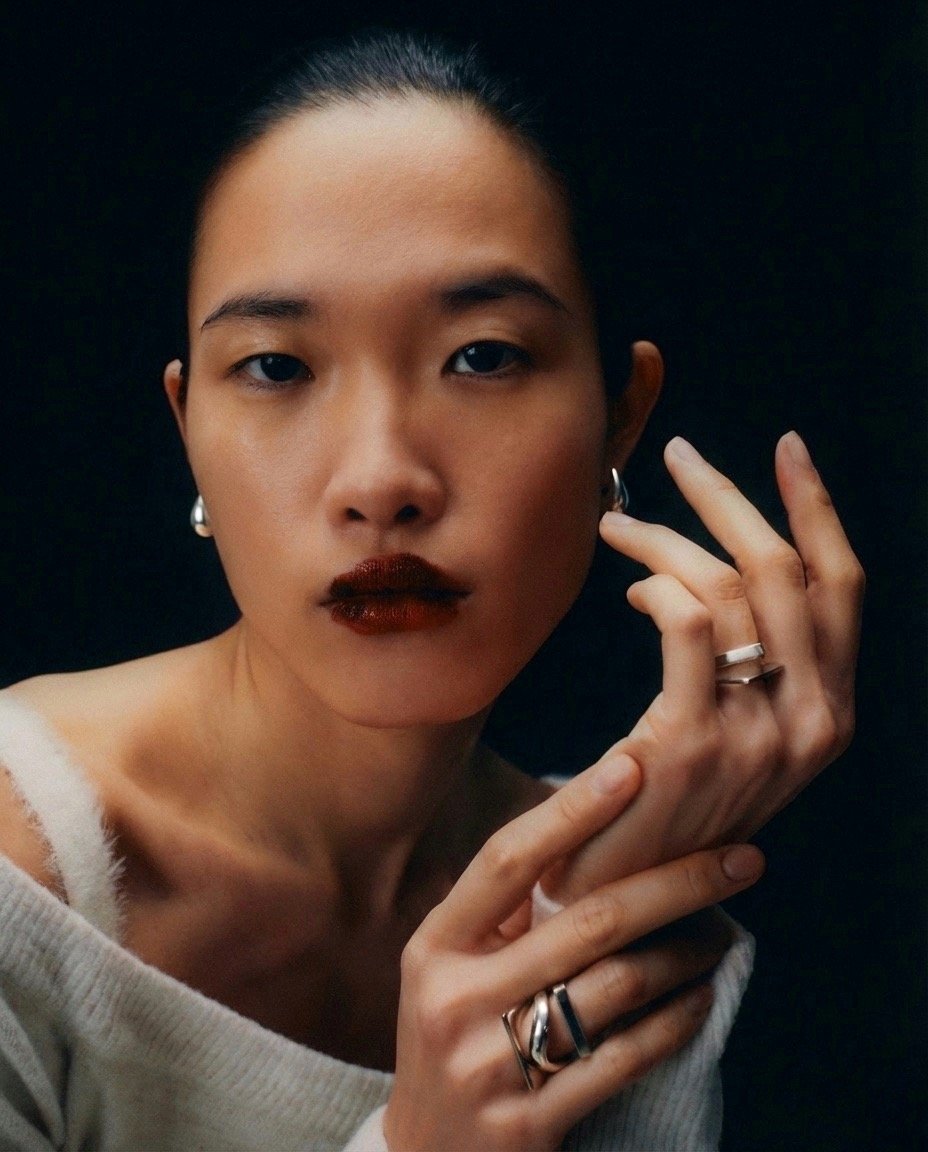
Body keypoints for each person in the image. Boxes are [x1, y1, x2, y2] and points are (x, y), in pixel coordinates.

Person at [0, 29, 864, 1152]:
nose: (380, 482)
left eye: (483, 356)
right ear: (188, 429)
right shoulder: (23, 877)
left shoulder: (628, 875)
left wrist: (584, 925)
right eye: (276, 367)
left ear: (621, 415)